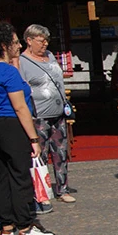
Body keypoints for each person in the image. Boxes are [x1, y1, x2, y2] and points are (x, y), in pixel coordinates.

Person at [0, 23, 55, 235]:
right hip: (12, 124)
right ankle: (25, 227)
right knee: (20, 176)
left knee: (1, 176)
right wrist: (33, 139)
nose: (18, 46)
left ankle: (7, 227)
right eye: (15, 42)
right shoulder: (8, 71)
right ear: (3, 46)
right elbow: (20, 107)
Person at [19, 24, 74, 205]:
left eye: (46, 40)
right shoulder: (22, 62)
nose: (45, 44)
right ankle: (41, 192)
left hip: (58, 112)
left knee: (60, 152)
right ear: (29, 40)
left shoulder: (50, 56)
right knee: (40, 154)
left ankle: (62, 188)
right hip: (39, 115)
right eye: (41, 40)